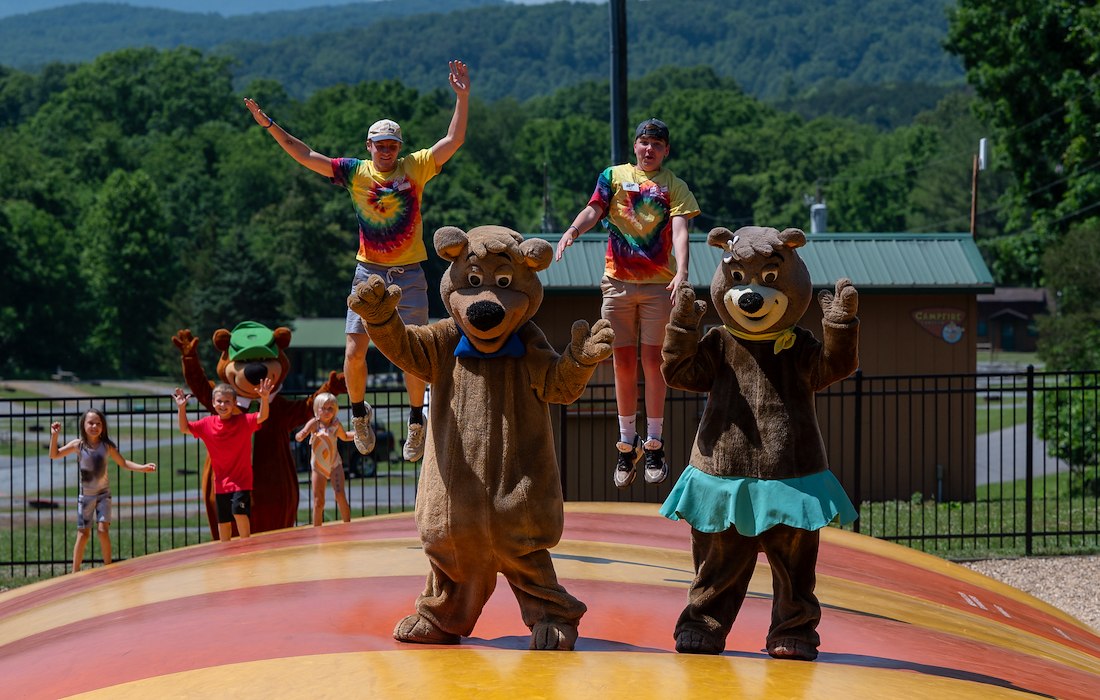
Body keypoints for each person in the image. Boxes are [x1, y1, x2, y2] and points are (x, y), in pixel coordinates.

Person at [242, 59, 471, 465]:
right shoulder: (354, 173)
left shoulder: (415, 168)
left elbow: (452, 140)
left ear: (399, 148)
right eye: (380, 145)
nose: (386, 151)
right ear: (369, 146)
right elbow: (305, 154)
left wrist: (462, 97)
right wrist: (269, 125)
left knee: (412, 350)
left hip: (410, 272)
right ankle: (359, 413)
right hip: (369, 272)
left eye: (392, 145)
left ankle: (416, 419)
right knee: (354, 349)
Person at [555, 118, 700, 489]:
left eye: (656, 144)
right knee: (620, 363)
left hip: (656, 287)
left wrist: (682, 269)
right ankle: (626, 442)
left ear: (666, 150)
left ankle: (654, 443)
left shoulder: (674, 186)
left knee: (653, 363)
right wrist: (572, 230)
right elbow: (594, 209)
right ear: (635, 146)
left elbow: (681, 228)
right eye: (643, 142)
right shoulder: (614, 175)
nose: (648, 148)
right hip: (618, 284)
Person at [49, 410, 157, 573]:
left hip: (103, 495)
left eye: (98, 423)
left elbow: (123, 462)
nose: (94, 426)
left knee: (102, 530)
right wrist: (54, 436)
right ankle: (74, 572)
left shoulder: (107, 446)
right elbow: (54, 454)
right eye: (91, 423)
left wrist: (142, 468)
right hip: (85, 497)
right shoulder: (78, 445)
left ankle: (109, 567)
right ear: (83, 425)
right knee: (83, 534)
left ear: (103, 427)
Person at [174, 380, 272, 542]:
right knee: (224, 520)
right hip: (220, 483)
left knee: (239, 512)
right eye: (219, 401)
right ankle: (224, 551)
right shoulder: (207, 424)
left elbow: (263, 416)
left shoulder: (244, 421)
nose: (223, 405)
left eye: (227, 401)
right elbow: (184, 428)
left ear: (234, 403)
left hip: (241, 481)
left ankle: (247, 547)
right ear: (213, 403)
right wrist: (181, 408)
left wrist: (265, 399)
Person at [295, 392, 354, 527]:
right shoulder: (314, 424)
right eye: (323, 408)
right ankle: (317, 529)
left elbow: (344, 436)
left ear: (335, 410)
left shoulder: (335, 424)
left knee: (340, 495)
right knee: (318, 501)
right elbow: (301, 433)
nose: (327, 412)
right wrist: (301, 435)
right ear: (317, 409)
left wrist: (357, 435)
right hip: (318, 466)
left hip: (334, 463)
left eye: (330, 408)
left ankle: (348, 525)